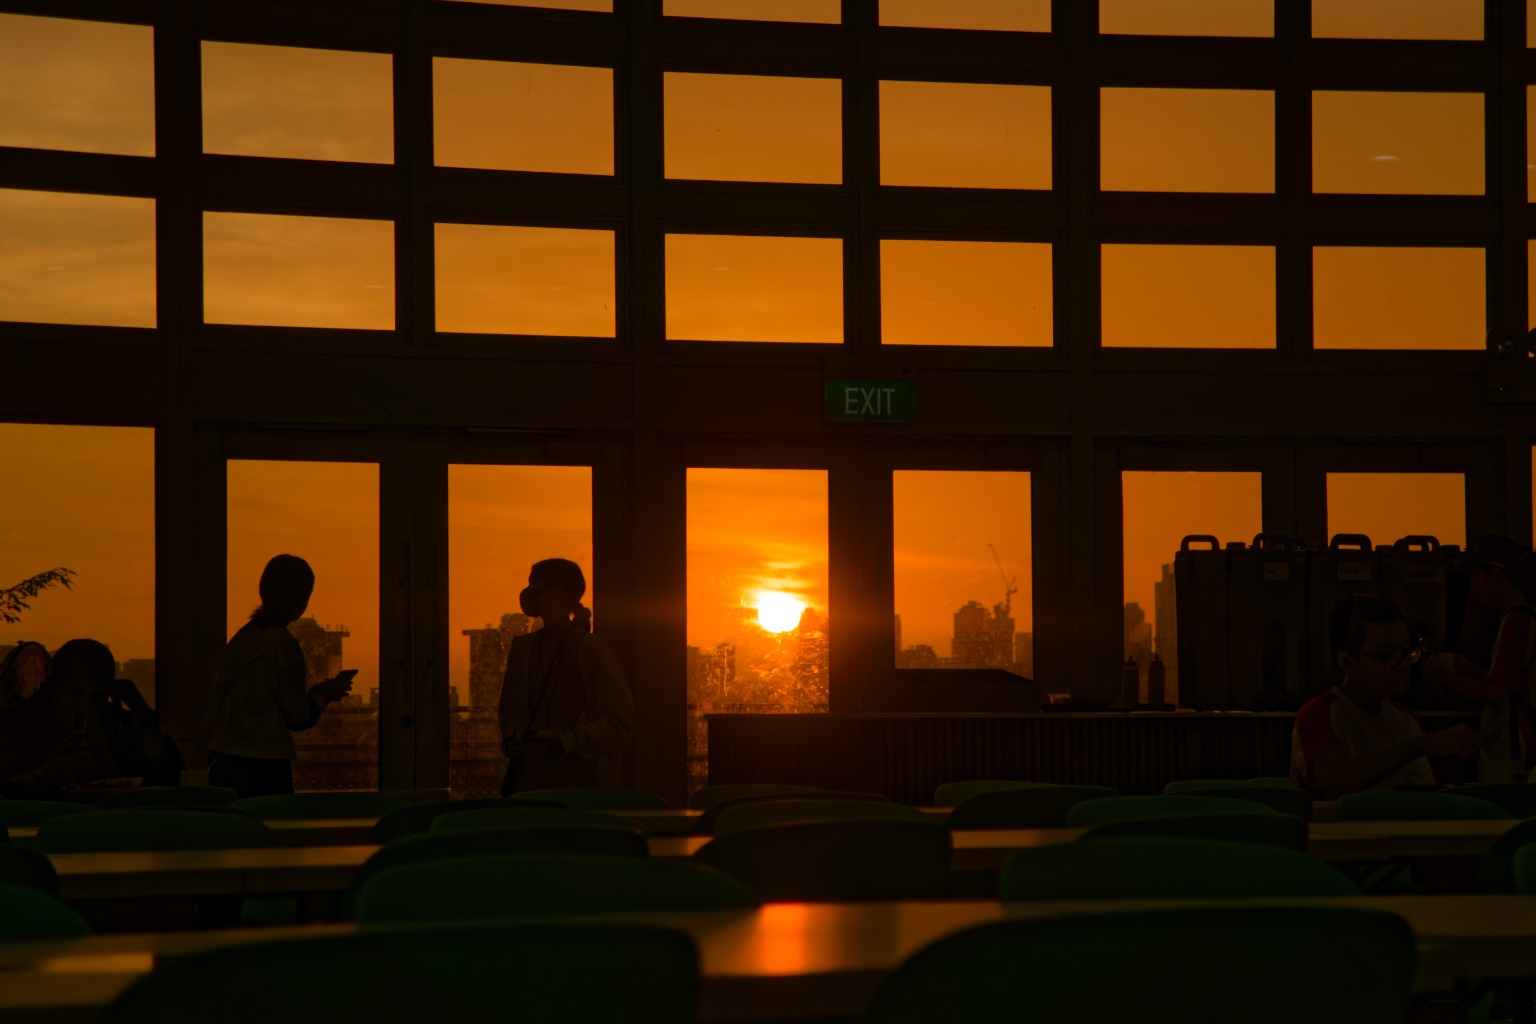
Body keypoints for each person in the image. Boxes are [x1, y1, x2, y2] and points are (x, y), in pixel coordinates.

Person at [1291, 596, 1479, 799]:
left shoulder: (1405, 719)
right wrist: (1419, 745)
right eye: (1385, 655)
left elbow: (1426, 798)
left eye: (1406, 652)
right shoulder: (1319, 714)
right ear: (1347, 660)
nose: (1401, 665)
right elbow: (1332, 781)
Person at [204, 554, 355, 798]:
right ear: (301, 597)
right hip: (264, 763)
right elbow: (298, 717)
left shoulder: (244, 639)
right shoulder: (283, 646)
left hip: (223, 758)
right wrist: (324, 697)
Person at [498, 558, 633, 795]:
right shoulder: (522, 649)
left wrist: (565, 741)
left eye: (534, 585)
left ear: (555, 592)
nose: (528, 592)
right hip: (529, 781)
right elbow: (510, 711)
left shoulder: (589, 648)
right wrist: (514, 735)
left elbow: (618, 722)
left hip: (574, 784)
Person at [1422, 535, 1536, 769]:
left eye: (1473, 575)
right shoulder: (1524, 617)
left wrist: (1445, 676)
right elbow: (1511, 686)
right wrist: (1469, 670)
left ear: (1493, 573)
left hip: (1518, 751)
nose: (1471, 588)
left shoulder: (1516, 621)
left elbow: (1497, 696)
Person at [0, 641, 118, 797]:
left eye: (95, 698)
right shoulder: (14, 725)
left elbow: (111, 778)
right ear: (50, 687)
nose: (82, 706)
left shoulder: (100, 722)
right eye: (73, 694)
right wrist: (42, 775)